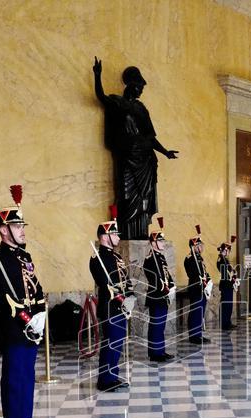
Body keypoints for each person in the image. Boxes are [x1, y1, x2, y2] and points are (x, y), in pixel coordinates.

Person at [0, 185, 48, 418]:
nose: (22, 230)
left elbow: (35, 286)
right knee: (13, 376)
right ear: (3, 230)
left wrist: (41, 312)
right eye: (17, 226)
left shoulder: (24, 256)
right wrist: (27, 318)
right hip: (13, 326)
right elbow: (6, 296)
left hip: (32, 325)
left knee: (27, 374)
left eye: (22, 226)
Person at [93, 58, 178, 240]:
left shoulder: (141, 108)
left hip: (145, 158)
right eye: (140, 86)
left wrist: (165, 152)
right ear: (132, 85)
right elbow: (101, 97)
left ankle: (141, 233)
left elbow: (150, 136)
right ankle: (125, 232)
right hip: (127, 156)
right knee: (125, 194)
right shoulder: (117, 102)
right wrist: (97, 76)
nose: (141, 91)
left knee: (144, 197)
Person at [90, 215, 134, 390]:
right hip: (110, 307)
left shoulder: (117, 257)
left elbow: (126, 279)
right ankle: (104, 380)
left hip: (122, 307)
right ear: (104, 237)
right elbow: (104, 282)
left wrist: (130, 298)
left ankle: (113, 376)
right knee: (110, 344)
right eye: (114, 234)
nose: (118, 237)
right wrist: (120, 298)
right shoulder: (97, 259)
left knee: (118, 343)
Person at [142, 217, 175, 362]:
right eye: (160, 241)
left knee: (161, 325)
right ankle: (155, 353)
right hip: (156, 295)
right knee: (156, 325)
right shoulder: (150, 258)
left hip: (164, 295)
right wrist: (165, 288)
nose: (163, 243)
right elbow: (155, 279)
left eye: (163, 241)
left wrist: (172, 286)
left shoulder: (160, 257)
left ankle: (160, 350)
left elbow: (166, 274)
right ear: (153, 243)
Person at [184, 225, 212, 343]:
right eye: (199, 245)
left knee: (200, 311)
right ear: (194, 246)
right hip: (196, 288)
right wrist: (202, 281)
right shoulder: (190, 258)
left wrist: (208, 280)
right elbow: (194, 274)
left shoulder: (199, 258)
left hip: (202, 288)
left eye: (201, 245)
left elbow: (204, 272)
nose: (201, 247)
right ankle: (194, 336)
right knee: (195, 311)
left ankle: (198, 333)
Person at [218, 237, 239, 331]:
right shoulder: (221, 260)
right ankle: (224, 323)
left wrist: (234, 276)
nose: (228, 252)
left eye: (229, 250)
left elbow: (231, 270)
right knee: (225, 305)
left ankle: (228, 322)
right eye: (227, 250)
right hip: (225, 285)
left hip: (229, 285)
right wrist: (222, 253)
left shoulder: (226, 260)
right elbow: (224, 271)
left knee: (229, 305)